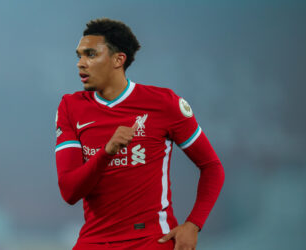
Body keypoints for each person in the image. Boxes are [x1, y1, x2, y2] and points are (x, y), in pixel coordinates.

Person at [54, 17, 225, 250]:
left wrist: (194, 224)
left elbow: (212, 167)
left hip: (150, 240)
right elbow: (70, 191)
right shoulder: (71, 106)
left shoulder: (165, 104)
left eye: (91, 54)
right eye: (79, 55)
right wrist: (107, 152)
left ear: (118, 59)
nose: (80, 63)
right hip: (94, 241)